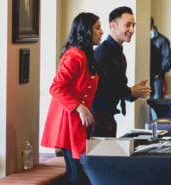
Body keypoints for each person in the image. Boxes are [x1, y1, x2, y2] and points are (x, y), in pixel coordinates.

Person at [41, 12, 103, 185]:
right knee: (77, 176)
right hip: (68, 122)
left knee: (80, 175)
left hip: (78, 122)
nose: (101, 32)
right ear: (85, 31)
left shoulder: (85, 55)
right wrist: (80, 107)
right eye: (97, 28)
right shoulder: (74, 55)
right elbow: (55, 88)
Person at [89, 6, 151, 137]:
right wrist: (130, 92)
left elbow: (117, 85)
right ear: (113, 25)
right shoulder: (102, 53)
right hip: (97, 119)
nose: (132, 30)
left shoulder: (119, 53)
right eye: (127, 25)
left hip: (109, 118)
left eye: (133, 25)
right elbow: (103, 89)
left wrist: (134, 92)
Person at [150, 17, 171, 99]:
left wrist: (158, 71)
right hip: (144, 77)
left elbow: (168, 60)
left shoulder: (162, 40)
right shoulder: (141, 39)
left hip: (157, 78)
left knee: (156, 102)